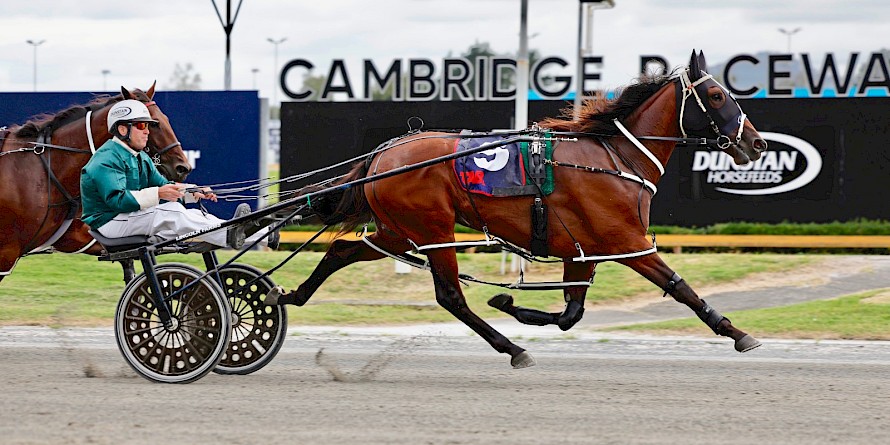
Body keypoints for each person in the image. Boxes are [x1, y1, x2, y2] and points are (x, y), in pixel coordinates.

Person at [80, 99, 277, 249]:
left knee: (191, 213)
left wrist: (193, 192)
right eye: (141, 125)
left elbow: (165, 185)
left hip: (127, 217)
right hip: (109, 222)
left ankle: (263, 234)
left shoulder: (140, 157)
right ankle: (229, 235)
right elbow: (117, 200)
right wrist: (159, 194)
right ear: (122, 129)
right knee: (171, 213)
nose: (147, 131)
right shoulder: (106, 159)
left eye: (148, 125)